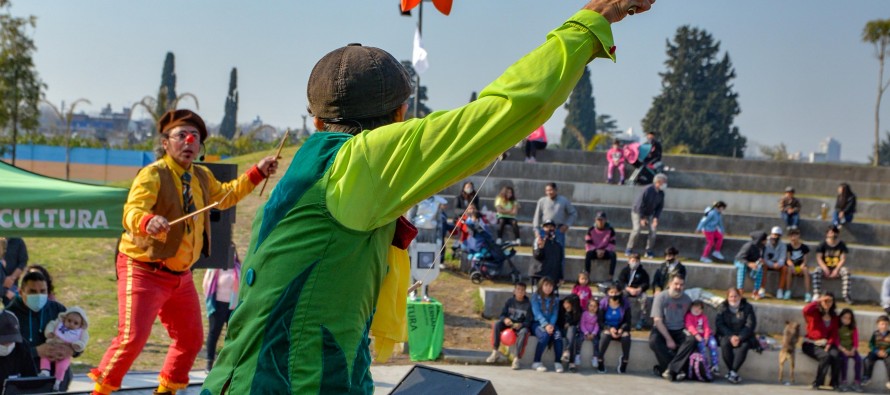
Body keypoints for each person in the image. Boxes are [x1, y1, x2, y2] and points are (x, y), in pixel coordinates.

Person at [203, 2, 657, 393]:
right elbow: (507, 108)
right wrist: (593, 18)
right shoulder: (362, 162)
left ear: (317, 120)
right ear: (400, 116)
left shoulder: (306, 169)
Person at [89, 109, 279, 395]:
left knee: (190, 340)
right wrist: (147, 221)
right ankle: (100, 392)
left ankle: (166, 392)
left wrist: (257, 172)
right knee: (132, 338)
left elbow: (226, 197)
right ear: (165, 143)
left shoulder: (201, 176)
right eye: (182, 136)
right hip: (143, 269)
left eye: (196, 139)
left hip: (180, 275)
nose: (190, 142)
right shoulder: (153, 174)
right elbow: (131, 212)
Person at [6, 271, 72, 391]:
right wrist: (36, 351)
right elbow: (6, 355)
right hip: (24, 382)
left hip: (58, 381)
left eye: (43, 291)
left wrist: (70, 350)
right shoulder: (9, 316)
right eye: (32, 291)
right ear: (21, 292)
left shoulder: (59, 310)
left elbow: (78, 336)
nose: (39, 295)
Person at [649, 274, 696, 381]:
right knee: (653, 341)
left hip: (680, 329)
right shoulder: (661, 297)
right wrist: (669, 339)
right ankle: (678, 370)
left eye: (681, 285)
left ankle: (668, 370)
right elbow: (657, 321)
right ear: (670, 284)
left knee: (691, 340)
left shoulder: (687, 300)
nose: (678, 287)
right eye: (676, 284)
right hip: (662, 328)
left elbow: (689, 318)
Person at [201, 249, 241, 372]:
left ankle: (230, 363)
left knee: (233, 335)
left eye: (233, 251)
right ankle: (209, 363)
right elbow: (206, 285)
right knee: (214, 333)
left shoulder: (238, 268)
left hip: (232, 306)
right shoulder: (215, 268)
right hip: (217, 305)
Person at [40, 307, 89, 391]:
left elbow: (83, 342)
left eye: (75, 323)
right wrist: (50, 332)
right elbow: (51, 325)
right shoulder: (58, 324)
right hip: (52, 347)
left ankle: (58, 381)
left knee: (62, 366)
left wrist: (78, 345)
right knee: (44, 356)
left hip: (65, 354)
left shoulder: (81, 332)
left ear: (80, 325)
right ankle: (45, 371)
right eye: (69, 321)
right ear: (64, 318)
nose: (71, 324)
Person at [714, 287, 757, 385]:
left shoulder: (747, 307)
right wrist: (731, 336)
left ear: (740, 296)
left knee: (745, 345)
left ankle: (732, 372)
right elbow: (719, 324)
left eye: (736, 296)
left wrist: (740, 337)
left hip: (743, 335)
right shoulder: (722, 307)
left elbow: (750, 325)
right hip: (727, 334)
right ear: (727, 298)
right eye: (731, 297)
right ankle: (733, 373)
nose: (733, 299)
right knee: (724, 343)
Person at [486, 282, 533, 370]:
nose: (520, 292)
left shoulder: (528, 305)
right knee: (496, 324)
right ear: (514, 291)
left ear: (525, 293)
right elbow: (502, 315)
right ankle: (495, 351)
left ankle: (516, 359)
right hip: (509, 324)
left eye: (522, 290)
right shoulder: (509, 301)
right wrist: (505, 319)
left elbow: (529, 321)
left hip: (520, 326)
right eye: (518, 289)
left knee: (524, 332)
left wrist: (521, 325)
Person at [802, 293, 841, 391]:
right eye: (825, 300)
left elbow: (834, 333)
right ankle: (818, 382)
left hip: (826, 343)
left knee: (836, 356)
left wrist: (829, 344)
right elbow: (805, 310)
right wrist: (818, 300)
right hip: (811, 343)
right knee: (825, 356)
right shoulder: (814, 312)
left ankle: (834, 383)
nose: (827, 303)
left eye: (830, 301)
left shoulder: (834, 316)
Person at [625, 173, 666, 259]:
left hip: (650, 214)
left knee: (653, 231)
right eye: (664, 182)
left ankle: (649, 250)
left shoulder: (661, 193)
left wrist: (656, 218)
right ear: (658, 182)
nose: (665, 184)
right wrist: (642, 218)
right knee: (637, 229)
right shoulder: (647, 190)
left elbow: (659, 207)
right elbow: (640, 204)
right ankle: (629, 248)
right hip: (638, 212)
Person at [597, 282, 632, 374]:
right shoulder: (603, 303)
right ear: (608, 293)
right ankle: (600, 359)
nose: (614, 295)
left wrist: (622, 329)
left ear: (620, 292)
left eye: (616, 292)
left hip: (620, 328)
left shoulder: (625, 303)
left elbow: (628, 321)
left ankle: (625, 360)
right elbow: (600, 321)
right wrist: (609, 328)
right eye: (611, 292)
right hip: (607, 328)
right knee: (605, 335)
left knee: (626, 336)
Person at [533, 182, 577, 253]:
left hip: (558, 230)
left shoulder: (564, 200)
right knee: (543, 252)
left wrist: (567, 225)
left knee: (559, 252)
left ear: (556, 190)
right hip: (545, 230)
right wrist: (536, 230)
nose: (549, 192)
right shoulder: (542, 201)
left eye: (551, 190)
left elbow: (573, 213)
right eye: (547, 190)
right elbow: (536, 216)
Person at [812, 225, 851, 304]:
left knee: (846, 271)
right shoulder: (822, 244)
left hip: (837, 268)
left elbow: (843, 259)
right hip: (825, 267)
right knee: (816, 271)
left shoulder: (841, 244)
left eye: (833, 232)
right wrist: (825, 268)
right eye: (829, 232)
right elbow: (819, 258)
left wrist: (836, 270)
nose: (831, 234)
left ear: (836, 233)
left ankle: (846, 295)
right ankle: (817, 293)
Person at [531, 277, 564, 373]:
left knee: (558, 336)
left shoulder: (555, 299)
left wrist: (551, 325)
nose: (548, 288)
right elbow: (537, 313)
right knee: (545, 335)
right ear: (541, 286)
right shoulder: (535, 297)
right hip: (538, 323)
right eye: (546, 285)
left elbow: (555, 313)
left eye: (550, 286)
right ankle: (536, 362)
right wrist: (545, 325)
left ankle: (558, 362)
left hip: (551, 324)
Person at [0, 310, 37, 385]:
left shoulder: (22, 346)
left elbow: (31, 378)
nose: (7, 344)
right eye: (3, 341)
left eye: (12, 340)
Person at [685, 300, 719, 376]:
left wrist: (706, 337)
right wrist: (697, 335)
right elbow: (689, 326)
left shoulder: (703, 317)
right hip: (698, 337)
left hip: (707, 336)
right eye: (695, 308)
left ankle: (715, 365)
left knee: (713, 344)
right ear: (691, 308)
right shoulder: (688, 316)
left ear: (702, 310)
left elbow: (706, 327)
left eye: (699, 308)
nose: (697, 310)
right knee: (702, 347)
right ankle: (705, 365)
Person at [618, 253, 649, 330]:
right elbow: (621, 282)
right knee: (622, 296)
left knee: (644, 298)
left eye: (637, 261)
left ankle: (642, 319)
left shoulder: (643, 272)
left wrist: (639, 289)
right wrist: (629, 289)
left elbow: (646, 283)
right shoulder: (624, 271)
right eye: (633, 260)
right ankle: (622, 317)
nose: (634, 262)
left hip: (638, 291)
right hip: (627, 290)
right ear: (629, 261)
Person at [734, 231, 767, 300]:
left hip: (753, 262)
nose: (766, 241)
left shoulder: (763, 247)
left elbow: (760, 257)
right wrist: (748, 263)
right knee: (742, 267)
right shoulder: (748, 246)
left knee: (760, 268)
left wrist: (761, 260)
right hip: (741, 261)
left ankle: (755, 291)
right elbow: (740, 257)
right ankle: (740, 289)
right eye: (764, 240)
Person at [584, 211, 617, 280]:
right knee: (588, 254)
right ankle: (587, 275)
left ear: (605, 220)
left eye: (602, 219)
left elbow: (612, 244)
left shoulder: (611, 230)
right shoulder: (591, 229)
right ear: (595, 220)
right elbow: (588, 243)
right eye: (598, 220)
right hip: (595, 251)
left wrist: (604, 251)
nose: (600, 221)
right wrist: (596, 250)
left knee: (613, 255)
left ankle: (610, 277)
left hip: (605, 251)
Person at [836, 308, 862, 392]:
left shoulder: (853, 328)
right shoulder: (838, 328)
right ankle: (844, 381)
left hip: (851, 349)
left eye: (849, 318)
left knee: (858, 360)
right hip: (842, 350)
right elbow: (836, 342)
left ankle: (857, 382)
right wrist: (844, 350)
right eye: (844, 317)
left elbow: (855, 341)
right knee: (844, 361)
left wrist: (853, 350)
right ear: (840, 318)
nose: (846, 320)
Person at [532, 220, 565, 286]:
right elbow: (537, 256)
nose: (549, 229)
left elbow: (559, 262)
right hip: (540, 275)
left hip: (553, 277)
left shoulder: (558, 245)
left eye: (551, 227)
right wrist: (540, 248)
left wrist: (560, 277)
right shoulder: (538, 241)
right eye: (547, 227)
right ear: (543, 228)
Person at [863, 315, 890, 390]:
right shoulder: (875, 334)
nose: (884, 326)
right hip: (876, 352)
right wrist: (876, 351)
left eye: (886, 324)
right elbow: (871, 344)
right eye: (882, 324)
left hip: (886, 354)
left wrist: (886, 352)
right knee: (868, 360)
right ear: (878, 325)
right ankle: (867, 377)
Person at [558, 294, 583, 372]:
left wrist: (570, 322)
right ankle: (572, 363)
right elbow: (558, 322)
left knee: (572, 331)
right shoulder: (560, 307)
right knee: (570, 339)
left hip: (571, 332)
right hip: (560, 329)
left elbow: (575, 323)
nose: (565, 305)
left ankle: (566, 352)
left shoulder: (577, 311)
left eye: (567, 304)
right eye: (564, 303)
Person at [786, 228, 812, 302]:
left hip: (801, 266)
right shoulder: (788, 246)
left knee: (806, 270)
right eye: (791, 236)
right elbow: (788, 259)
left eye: (795, 235)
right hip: (792, 266)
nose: (793, 238)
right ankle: (788, 291)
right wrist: (792, 266)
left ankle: (807, 293)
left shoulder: (804, 247)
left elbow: (805, 260)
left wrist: (801, 266)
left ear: (798, 236)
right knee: (789, 270)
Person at [762, 226, 788, 299]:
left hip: (777, 264)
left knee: (785, 268)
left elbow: (782, 258)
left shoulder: (783, 245)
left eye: (777, 235)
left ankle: (780, 290)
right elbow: (764, 257)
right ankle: (762, 288)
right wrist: (771, 264)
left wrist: (778, 264)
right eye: (774, 234)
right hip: (768, 263)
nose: (775, 237)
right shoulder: (766, 243)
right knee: (763, 265)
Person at [1, 237, 27, 305]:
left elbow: (23, 262)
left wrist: (12, 278)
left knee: (13, 307)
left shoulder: (18, 241)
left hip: (11, 284)